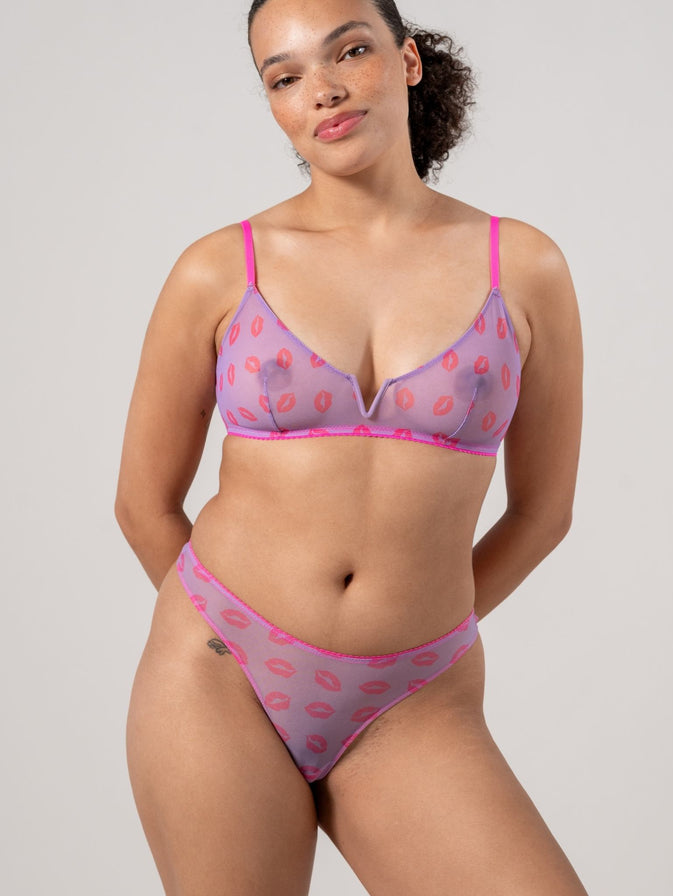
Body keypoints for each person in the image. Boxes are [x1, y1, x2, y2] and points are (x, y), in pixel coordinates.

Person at [115, 0, 586, 892]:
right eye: (285, 77)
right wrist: (239, 633)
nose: (322, 90)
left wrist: (410, 632)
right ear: (273, 105)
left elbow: (543, 513)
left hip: (414, 695)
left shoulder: (523, 268)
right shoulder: (219, 268)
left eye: (351, 51)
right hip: (219, 675)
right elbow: (143, 504)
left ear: (407, 61)